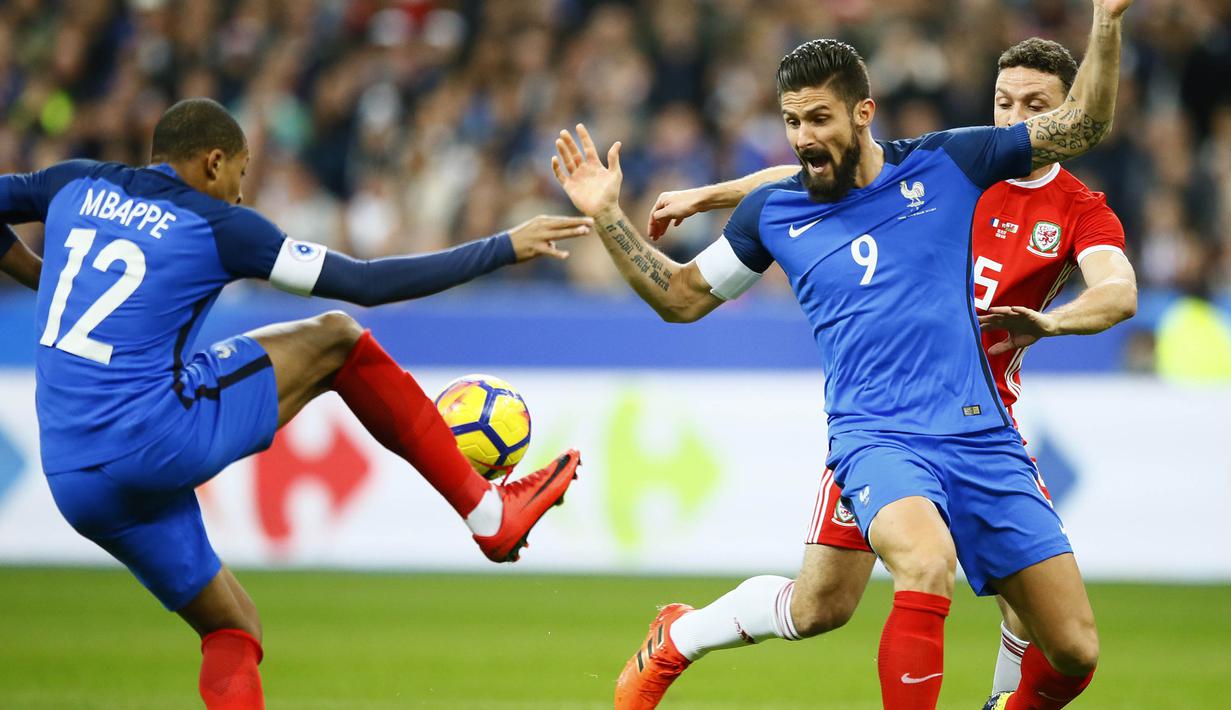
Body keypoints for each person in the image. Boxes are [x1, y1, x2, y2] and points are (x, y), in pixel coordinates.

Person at [551, 0, 1134, 706]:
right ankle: (675, 644)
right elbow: (679, 296)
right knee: (924, 563)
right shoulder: (774, 215)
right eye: (790, 121)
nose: (801, 137)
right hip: (878, 434)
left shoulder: (948, 165)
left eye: (817, 119)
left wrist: (1104, 20)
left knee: (1071, 651)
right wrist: (608, 215)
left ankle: (683, 631)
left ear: (863, 113)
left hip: (983, 432)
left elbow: (1084, 126)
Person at [0, 97, 587, 710]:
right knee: (337, 337)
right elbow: (364, 284)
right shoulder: (220, 227)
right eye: (241, 175)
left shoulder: (72, 182)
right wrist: (501, 248)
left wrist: (40, 275)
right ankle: (487, 514)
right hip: (154, 436)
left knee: (233, 628)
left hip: (71, 475)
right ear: (213, 161)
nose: (239, 194)